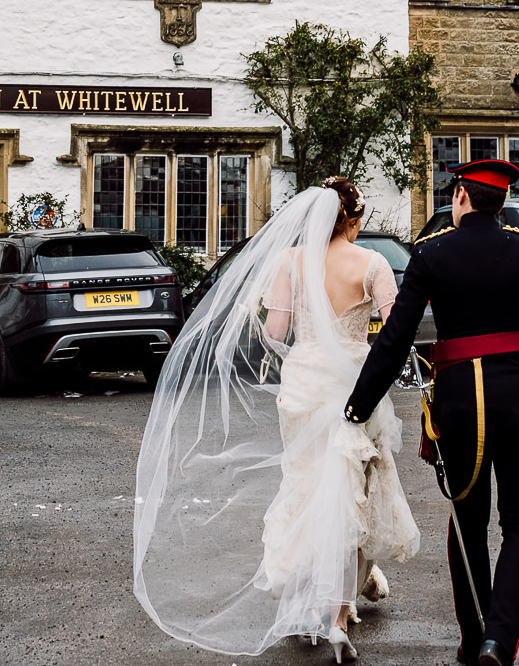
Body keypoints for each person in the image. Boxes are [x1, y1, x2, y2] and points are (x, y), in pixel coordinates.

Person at [134, 180, 419, 662]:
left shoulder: (290, 262)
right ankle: (339, 611)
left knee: (308, 487)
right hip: (355, 383)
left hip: (305, 384)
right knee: (356, 487)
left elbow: (275, 333)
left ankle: (314, 603)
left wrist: (273, 325)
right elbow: (396, 334)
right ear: (353, 219)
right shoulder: (372, 265)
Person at [344, 160, 519, 666]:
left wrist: (357, 405)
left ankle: (474, 637)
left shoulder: (432, 254)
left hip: (458, 408)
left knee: (467, 522)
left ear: (459, 198)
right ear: (499, 204)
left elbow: (395, 340)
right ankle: (499, 640)